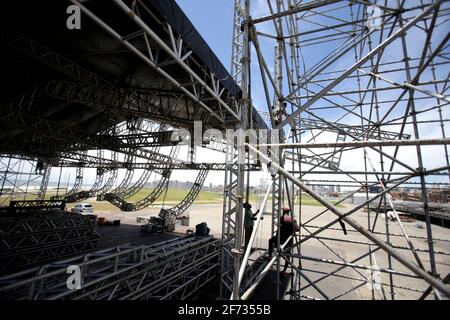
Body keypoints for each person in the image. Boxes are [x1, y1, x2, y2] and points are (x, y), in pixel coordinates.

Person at [268, 207, 300, 275]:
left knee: (271, 241)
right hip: (288, 240)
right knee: (288, 255)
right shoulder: (292, 219)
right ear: (288, 212)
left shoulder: (281, 218)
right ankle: (284, 270)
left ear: (283, 211)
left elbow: (280, 228)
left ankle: (270, 256)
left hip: (281, 238)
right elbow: (297, 229)